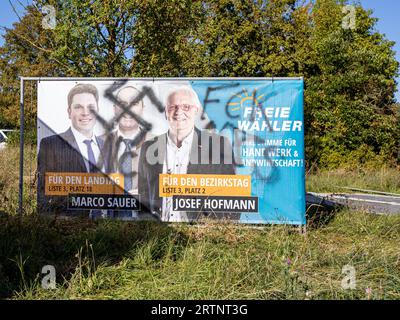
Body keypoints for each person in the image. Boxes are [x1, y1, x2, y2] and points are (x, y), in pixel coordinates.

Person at [138, 86, 239, 222]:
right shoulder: (149, 147)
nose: (178, 112)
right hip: (159, 233)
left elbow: (231, 196)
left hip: (200, 235)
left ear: (196, 110)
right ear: (166, 112)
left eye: (186, 107)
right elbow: (143, 194)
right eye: (173, 107)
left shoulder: (218, 145)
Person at [37, 83, 104, 215]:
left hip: (108, 226)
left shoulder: (109, 146)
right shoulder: (51, 144)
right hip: (68, 224)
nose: (86, 113)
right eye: (78, 107)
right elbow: (43, 188)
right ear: (69, 112)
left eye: (91, 107)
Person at [101, 86, 153, 220]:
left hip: (148, 225)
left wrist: (145, 195)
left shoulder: (159, 144)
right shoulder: (98, 143)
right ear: (114, 109)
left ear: (143, 108)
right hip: (107, 225)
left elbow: (168, 188)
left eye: (134, 103)